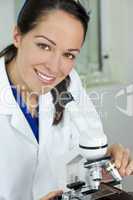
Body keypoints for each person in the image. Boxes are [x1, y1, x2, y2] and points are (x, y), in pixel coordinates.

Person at [0, 0, 133, 200]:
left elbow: (76, 161)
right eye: (44, 46)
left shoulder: (70, 83)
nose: (54, 67)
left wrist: (101, 164)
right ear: (18, 36)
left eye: (69, 54)